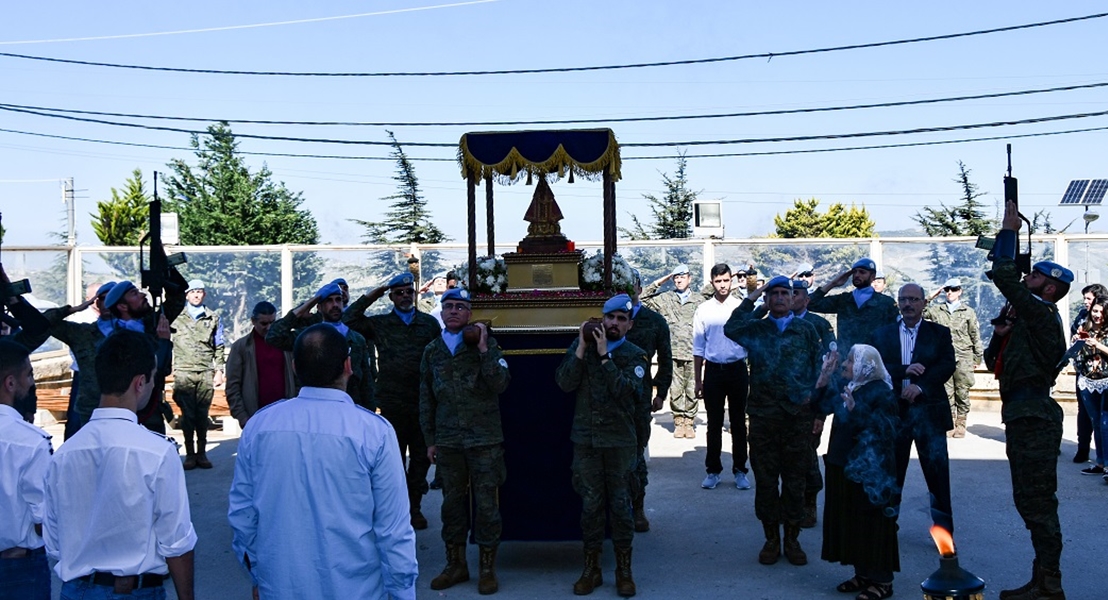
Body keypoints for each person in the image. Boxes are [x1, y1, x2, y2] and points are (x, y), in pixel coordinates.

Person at [229, 324, 417, 600]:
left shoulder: (260, 426)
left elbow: (243, 515)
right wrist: (403, 592)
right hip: (357, 590)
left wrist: (258, 573)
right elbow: (394, 528)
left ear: (294, 367)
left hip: (281, 586)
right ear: (348, 366)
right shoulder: (373, 431)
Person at [44, 330, 196, 600]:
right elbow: (176, 542)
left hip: (76, 590)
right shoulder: (158, 452)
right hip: (136, 591)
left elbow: (54, 543)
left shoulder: (63, 454)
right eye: (152, 379)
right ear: (140, 382)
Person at [986, 200, 1071, 599]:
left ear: (1050, 288)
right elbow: (993, 361)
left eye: (1035, 275)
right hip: (1023, 413)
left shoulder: (1041, 313)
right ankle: (1042, 579)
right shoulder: (1028, 318)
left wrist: (1008, 230)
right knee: (1029, 499)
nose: (1028, 277)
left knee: (1037, 502)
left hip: (1034, 415)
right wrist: (1000, 334)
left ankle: (1049, 583)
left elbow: (1004, 273)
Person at [724, 276, 821, 566]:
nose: (779, 297)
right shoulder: (756, 329)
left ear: (793, 299)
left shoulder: (806, 330)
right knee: (766, 481)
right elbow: (731, 328)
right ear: (768, 299)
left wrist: (819, 413)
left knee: (794, 481)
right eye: (773, 293)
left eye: (784, 293)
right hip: (764, 416)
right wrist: (753, 297)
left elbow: (820, 373)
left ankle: (792, 539)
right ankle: (770, 538)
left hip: (797, 419)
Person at [420, 288, 511, 594]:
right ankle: (455, 564)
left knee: (486, 505)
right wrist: (430, 440)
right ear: (441, 312)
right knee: (452, 505)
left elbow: (501, 383)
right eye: (449, 306)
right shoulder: (432, 350)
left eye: (461, 307)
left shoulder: (488, 346)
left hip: (484, 439)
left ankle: (487, 568)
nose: (454, 311)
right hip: (448, 441)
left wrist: (484, 348)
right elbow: (426, 399)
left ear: (470, 313)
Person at [555, 294, 647, 597]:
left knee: (621, 509)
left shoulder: (635, 356)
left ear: (630, 325)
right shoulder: (584, 348)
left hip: (619, 444)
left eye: (622, 320)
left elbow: (625, 392)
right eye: (611, 318)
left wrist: (606, 356)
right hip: (587, 441)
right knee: (591, 507)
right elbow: (564, 383)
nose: (615, 324)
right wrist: (582, 348)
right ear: (602, 319)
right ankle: (591, 569)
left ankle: (624, 571)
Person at [343, 272, 442, 530]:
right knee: (393, 460)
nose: (405, 296)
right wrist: (376, 291)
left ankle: (414, 508)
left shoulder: (428, 324)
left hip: (422, 401)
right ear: (391, 297)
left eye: (409, 291)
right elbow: (349, 319)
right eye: (399, 292)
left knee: (420, 460)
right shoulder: (380, 324)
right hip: (392, 401)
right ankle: (395, 509)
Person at [815, 344, 900, 600]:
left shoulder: (881, 391)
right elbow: (819, 407)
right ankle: (863, 573)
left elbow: (887, 430)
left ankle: (882, 581)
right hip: (844, 466)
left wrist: (857, 411)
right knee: (851, 522)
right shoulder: (850, 386)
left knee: (872, 524)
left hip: (871, 472)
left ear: (866, 366)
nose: (844, 365)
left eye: (850, 361)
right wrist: (824, 376)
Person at [872, 282, 957, 534]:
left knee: (937, 477)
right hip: (894, 414)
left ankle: (944, 534)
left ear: (923, 302)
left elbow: (947, 365)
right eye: (903, 299)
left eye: (913, 299)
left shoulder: (939, 333)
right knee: (891, 475)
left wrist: (920, 387)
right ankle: (887, 529)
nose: (907, 304)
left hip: (929, 413)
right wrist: (902, 372)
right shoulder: (882, 334)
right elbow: (874, 366)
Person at [267, 281, 375, 411]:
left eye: (338, 300)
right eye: (329, 301)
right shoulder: (309, 337)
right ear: (319, 307)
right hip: (314, 408)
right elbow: (273, 337)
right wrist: (301, 310)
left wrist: (369, 410)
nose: (335, 305)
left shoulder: (356, 339)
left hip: (350, 408)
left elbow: (366, 382)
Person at [0, 340, 53, 600]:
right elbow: (43, 515)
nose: (32, 383)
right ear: (10, 383)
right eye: (29, 375)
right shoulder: (31, 442)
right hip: (17, 565)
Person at [693, 263, 751, 490]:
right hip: (714, 371)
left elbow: (751, 341)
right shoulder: (703, 310)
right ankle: (713, 470)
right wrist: (698, 380)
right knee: (714, 423)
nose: (723, 285)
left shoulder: (741, 307)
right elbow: (698, 348)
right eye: (718, 281)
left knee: (738, 423)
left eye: (726, 280)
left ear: (732, 280)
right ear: (712, 282)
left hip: (737, 369)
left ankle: (740, 470)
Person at [625, 269, 673, 532]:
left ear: (640, 289)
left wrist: (661, 392)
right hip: (608, 399)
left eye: (630, 286)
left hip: (640, 398)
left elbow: (665, 359)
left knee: (636, 455)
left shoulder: (654, 321)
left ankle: (638, 506)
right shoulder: (604, 318)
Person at [33, 282, 114, 437]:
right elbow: (43, 322)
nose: (108, 304)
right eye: (103, 299)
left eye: (113, 299)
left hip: (123, 408)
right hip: (88, 405)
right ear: (95, 302)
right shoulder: (83, 333)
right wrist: (72, 309)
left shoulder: (134, 331)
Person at [103, 280, 180, 434]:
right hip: (132, 411)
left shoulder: (150, 324)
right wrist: (163, 343)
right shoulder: (116, 339)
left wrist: (165, 273)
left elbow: (177, 299)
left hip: (152, 407)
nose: (142, 295)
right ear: (123, 306)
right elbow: (153, 370)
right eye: (134, 294)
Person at [790, 278, 836, 529]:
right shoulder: (779, 324)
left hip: (810, 404)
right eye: (789, 293)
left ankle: (809, 501)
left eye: (796, 293)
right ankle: (792, 501)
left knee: (807, 454)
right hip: (784, 404)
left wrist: (820, 412)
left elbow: (829, 370)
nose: (790, 298)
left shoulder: (819, 325)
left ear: (807, 299)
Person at [642, 264, 702, 438]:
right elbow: (644, 298)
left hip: (693, 351)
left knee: (691, 388)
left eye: (682, 277)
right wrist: (662, 280)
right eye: (675, 277)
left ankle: (689, 421)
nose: (679, 280)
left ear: (689, 278)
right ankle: (678, 421)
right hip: (672, 352)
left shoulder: (699, 300)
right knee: (675, 388)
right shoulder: (666, 298)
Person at [171, 279, 225, 470]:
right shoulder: (176, 316)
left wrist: (219, 371)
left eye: (200, 291)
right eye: (193, 291)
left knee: (202, 415)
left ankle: (201, 454)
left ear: (204, 294)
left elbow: (219, 345)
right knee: (187, 415)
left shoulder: (213, 317)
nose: (196, 295)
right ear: (186, 295)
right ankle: (190, 454)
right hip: (183, 371)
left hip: (204, 372)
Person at [925, 278, 984, 438]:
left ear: (960, 291)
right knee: (946, 391)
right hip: (942, 357)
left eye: (954, 289)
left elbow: (974, 335)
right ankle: (949, 423)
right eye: (947, 289)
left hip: (963, 356)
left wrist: (977, 358)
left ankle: (961, 423)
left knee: (962, 391)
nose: (950, 292)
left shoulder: (968, 312)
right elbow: (920, 310)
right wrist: (933, 295)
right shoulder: (937, 310)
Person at [225, 301, 296, 428]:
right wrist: (242, 417)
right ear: (253, 321)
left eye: (272, 323)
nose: (268, 327)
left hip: (285, 416)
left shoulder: (287, 344)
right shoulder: (241, 347)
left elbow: (297, 377)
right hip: (255, 417)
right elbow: (233, 385)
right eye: (264, 323)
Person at [808, 257, 898, 354]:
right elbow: (810, 304)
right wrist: (833, 283)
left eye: (862, 272)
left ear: (872, 277)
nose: (857, 275)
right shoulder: (844, 300)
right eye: (854, 272)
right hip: (846, 360)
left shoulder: (886, 303)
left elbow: (895, 333)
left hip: (873, 359)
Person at [1069, 283, 1107, 464]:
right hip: (1085, 376)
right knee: (1088, 416)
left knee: (1105, 420)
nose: (1086, 302)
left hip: (1104, 377)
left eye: (1089, 299)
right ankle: (1086, 451)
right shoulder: (1082, 319)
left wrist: (1098, 345)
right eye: (1084, 298)